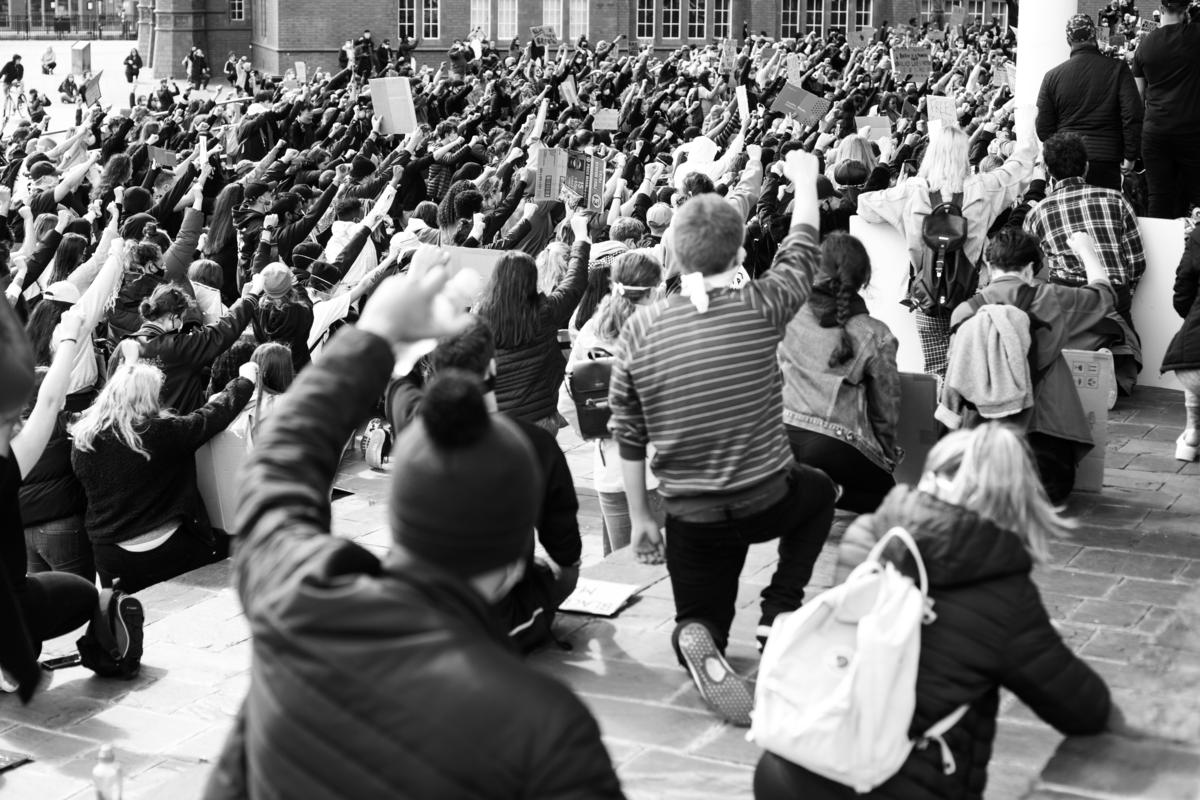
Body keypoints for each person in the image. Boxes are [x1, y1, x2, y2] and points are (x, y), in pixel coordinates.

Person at [202, 268, 625, 799]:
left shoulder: (295, 602)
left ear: (398, 519)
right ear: (511, 562)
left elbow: (278, 470)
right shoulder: (544, 730)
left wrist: (375, 336)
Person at [753, 424, 1124, 800]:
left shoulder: (870, 534)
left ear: (931, 474)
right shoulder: (1004, 595)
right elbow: (1082, 708)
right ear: (1015, 501)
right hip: (882, 780)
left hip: (791, 761)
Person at [608, 149, 837, 726]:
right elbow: (802, 246)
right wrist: (804, 179)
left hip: (691, 512)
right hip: (767, 496)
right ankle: (778, 610)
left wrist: (641, 518)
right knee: (819, 491)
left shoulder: (640, 329)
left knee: (700, 617)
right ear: (737, 255)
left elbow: (629, 433)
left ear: (674, 255)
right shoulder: (760, 304)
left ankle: (697, 635)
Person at [943, 229, 1117, 502]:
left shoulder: (964, 312)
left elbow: (956, 377)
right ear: (1029, 268)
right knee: (1049, 493)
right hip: (1046, 449)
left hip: (983, 451)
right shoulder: (1052, 299)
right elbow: (1104, 296)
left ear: (988, 265)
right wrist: (1086, 249)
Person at [857, 121, 1037, 376]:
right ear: (964, 154)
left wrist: (887, 162)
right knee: (971, 372)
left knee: (937, 372)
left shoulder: (911, 191)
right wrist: (1028, 123)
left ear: (931, 153)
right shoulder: (984, 187)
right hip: (971, 295)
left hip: (927, 298)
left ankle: (941, 403)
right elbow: (1021, 167)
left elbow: (863, 205)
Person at [70, 361, 253, 592]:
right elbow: (212, 415)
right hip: (169, 545)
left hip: (110, 552)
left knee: (127, 612)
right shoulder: (162, 432)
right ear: (148, 397)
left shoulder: (83, 440)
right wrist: (245, 381)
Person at [778, 232, 900, 514]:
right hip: (835, 444)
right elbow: (886, 410)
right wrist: (887, 455)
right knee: (891, 501)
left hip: (783, 436)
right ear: (863, 278)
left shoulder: (787, 314)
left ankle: (809, 491)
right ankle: (832, 493)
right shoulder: (875, 333)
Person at [559, 250, 666, 555]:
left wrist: (595, 431)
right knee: (658, 567)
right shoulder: (662, 330)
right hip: (656, 467)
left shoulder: (593, 329)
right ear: (653, 290)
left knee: (617, 565)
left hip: (609, 467)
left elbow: (566, 399)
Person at [1023, 132, 1145, 393]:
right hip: (1114, 293)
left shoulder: (1036, 213)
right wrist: (1125, 291)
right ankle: (1113, 362)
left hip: (1066, 298)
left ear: (1048, 171)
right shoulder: (1116, 199)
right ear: (1086, 166)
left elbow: (1032, 269)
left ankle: (1077, 367)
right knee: (1121, 330)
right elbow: (1136, 261)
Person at [473, 212, 591, 432]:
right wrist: (581, 239)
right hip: (541, 417)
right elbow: (574, 282)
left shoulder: (479, 316)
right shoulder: (544, 312)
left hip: (498, 420)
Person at [1035, 14, 1143, 191]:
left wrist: (1061, 152)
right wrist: (1130, 154)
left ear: (1068, 40)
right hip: (1107, 159)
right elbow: (1132, 113)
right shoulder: (1118, 69)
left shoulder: (1052, 77)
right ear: (1094, 35)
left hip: (1067, 164)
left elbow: (1043, 128)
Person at [1131, 0, 1200, 218]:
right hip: (1192, 130)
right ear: (1186, 9)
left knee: (1159, 197)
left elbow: (1138, 96)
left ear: (1161, 9)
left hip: (1155, 132)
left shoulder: (1145, 45)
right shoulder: (1196, 36)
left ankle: (1160, 241)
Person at [1163, 214, 1200, 462]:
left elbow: (1184, 288)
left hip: (1192, 367)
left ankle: (1192, 432)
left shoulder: (1199, 234)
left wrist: (1192, 319)